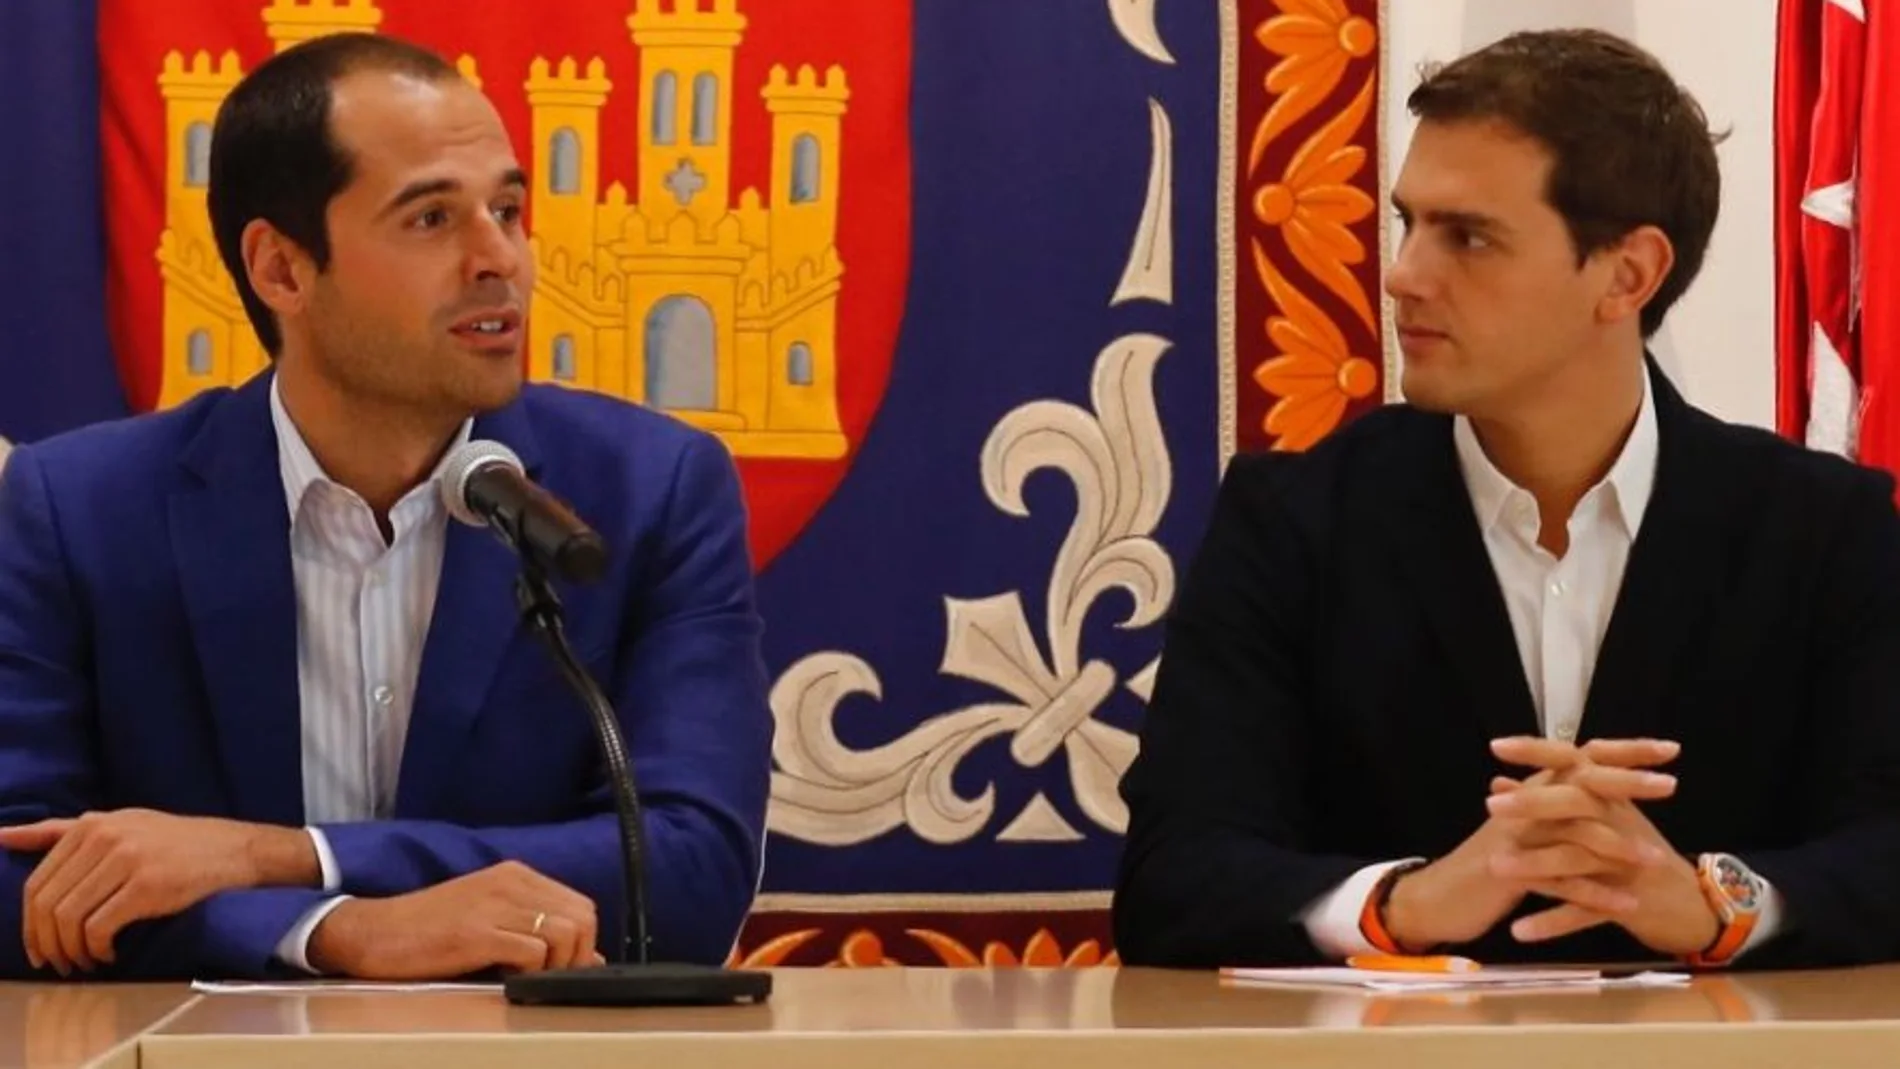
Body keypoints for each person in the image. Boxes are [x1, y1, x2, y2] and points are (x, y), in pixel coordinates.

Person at [1114, 28, 1900, 970]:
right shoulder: (1293, 520)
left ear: (1627, 274)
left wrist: (1714, 902)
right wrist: (1409, 899)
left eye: (1470, 236)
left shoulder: (1824, 529)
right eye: (1409, 223)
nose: (1404, 274)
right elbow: (1172, 873)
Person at [0, 33, 772, 980]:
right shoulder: (78, 510)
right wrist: (330, 932)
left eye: (509, 208)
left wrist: (284, 857)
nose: (500, 260)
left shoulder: (651, 490)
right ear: (282, 270)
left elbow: (689, 874)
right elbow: (18, 875)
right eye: (431, 219)